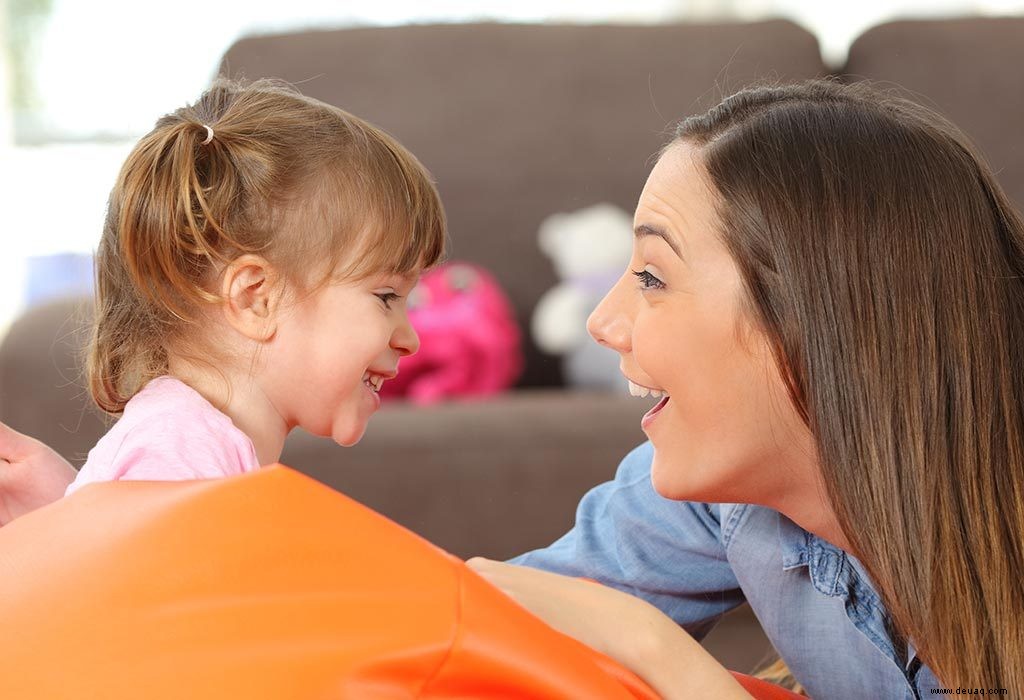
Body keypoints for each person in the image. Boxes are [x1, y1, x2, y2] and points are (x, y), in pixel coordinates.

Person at [4, 78, 1023, 696]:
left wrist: (660, 656)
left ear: (818, 322)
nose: (600, 319)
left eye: (655, 276)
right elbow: (465, 623)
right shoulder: (714, 507)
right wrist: (94, 530)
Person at [63, 77, 444, 495]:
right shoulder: (179, 451)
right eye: (386, 296)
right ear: (255, 298)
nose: (411, 340)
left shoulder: (194, 444)